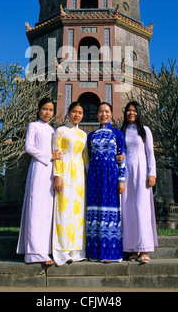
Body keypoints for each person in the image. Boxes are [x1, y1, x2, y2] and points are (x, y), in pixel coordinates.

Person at [16, 98, 61, 265]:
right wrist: (48, 156)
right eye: (44, 109)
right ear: (38, 109)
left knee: (47, 210)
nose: (47, 112)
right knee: (35, 208)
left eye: (50, 109)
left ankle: (45, 250)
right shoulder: (33, 126)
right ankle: (33, 252)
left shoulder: (53, 130)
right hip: (38, 169)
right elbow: (29, 147)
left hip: (51, 171)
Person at [86, 102, 126, 262]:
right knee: (94, 212)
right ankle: (94, 252)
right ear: (97, 114)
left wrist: (121, 180)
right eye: (100, 112)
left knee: (110, 210)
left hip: (111, 175)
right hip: (94, 176)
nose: (103, 114)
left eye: (107, 111)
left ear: (111, 113)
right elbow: (89, 157)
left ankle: (110, 252)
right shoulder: (91, 136)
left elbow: (122, 158)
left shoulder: (118, 134)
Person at [121, 100, 158, 263]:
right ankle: (132, 248)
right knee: (127, 209)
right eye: (129, 110)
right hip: (126, 173)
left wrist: (152, 173)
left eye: (134, 110)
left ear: (139, 112)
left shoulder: (145, 130)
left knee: (141, 208)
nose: (131, 113)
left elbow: (150, 153)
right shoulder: (121, 131)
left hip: (142, 172)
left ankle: (144, 248)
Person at [52, 102, 88, 266]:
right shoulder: (60, 131)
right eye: (74, 111)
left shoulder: (83, 135)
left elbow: (85, 159)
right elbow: (57, 154)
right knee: (63, 209)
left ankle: (76, 250)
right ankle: (62, 249)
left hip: (79, 176)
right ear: (68, 112)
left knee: (78, 211)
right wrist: (57, 175)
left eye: (80, 112)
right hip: (65, 172)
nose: (77, 115)